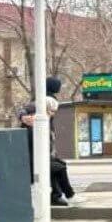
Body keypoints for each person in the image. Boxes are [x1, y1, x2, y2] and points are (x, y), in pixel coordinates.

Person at [18, 76, 80, 206]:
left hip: (37, 147)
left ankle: (56, 196)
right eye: (51, 111)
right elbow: (26, 109)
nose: (52, 113)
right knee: (58, 167)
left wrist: (23, 116)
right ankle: (67, 195)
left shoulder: (41, 102)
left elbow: (24, 110)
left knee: (55, 167)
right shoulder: (46, 100)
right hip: (35, 150)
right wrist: (24, 116)